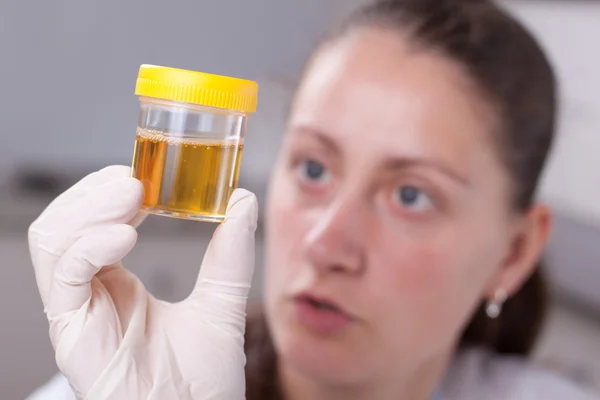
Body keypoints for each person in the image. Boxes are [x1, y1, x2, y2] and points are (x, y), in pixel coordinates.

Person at [26, 0, 600, 399]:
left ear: (513, 253)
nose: (327, 245)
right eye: (314, 167)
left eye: (411, 195)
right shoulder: (119, 385)